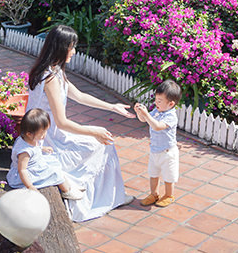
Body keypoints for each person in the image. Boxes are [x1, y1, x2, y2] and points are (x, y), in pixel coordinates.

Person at [25, 25, 134, 221]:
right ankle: (105, 199)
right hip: (48, 141)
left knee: (103, 142)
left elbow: (80, 95)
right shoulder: (50, 78)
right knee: (104, 144)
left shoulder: (53, 70)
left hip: (53, 134)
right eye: (72, 47)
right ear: (61, 47)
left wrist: (112, 106)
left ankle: (111, 197)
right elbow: (62, 122)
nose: (74, 51)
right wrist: (93, 131)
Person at [6, 108, 85, 201]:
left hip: (35, 165)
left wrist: (42, 148)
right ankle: (66, 191)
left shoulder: (28, 139)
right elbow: (22, 170)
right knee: (54, 173)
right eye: (42, 133)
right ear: (29, 134)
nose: (45, 135)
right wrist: (30, 186)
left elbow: (34, 148)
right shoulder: (24, 152)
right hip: (26, 176)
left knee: (53, 162)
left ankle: (68, 185)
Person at [133, 79, 181, 207]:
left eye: (159, 101)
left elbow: (157, 126)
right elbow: (144, 120)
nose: (156, 103)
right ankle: (154, 194)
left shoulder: (171, 116)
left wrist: (147, 115)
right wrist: (140, 113)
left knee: (168, 176)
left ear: (171, 104)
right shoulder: (156, 111)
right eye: (156, 99)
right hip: (155, 150)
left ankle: (169, 195)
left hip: (168, 153)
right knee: (153, 174)